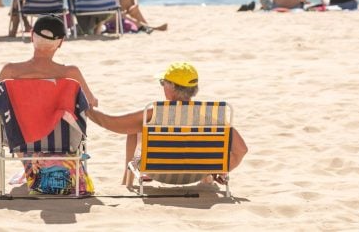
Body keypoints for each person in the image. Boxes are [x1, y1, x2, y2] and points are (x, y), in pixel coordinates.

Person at [86, 62, 248, 185]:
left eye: (163, 83)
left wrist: (86, 109)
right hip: (198, 173)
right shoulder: (211, 116)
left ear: (172, 87)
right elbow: (241, 150)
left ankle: (126, 183)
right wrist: (220, 169)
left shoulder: (154, 112)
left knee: (135, 128)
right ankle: (206, 180)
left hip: (157, 172)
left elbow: (112, 123)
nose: (162, 86)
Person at [0, 14, 98, 121]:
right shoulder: (71, 73)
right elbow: (91, 105)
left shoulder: (10, 71)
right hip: (63, 140)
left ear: (32, 36)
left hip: (18, 141)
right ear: (61, 42)